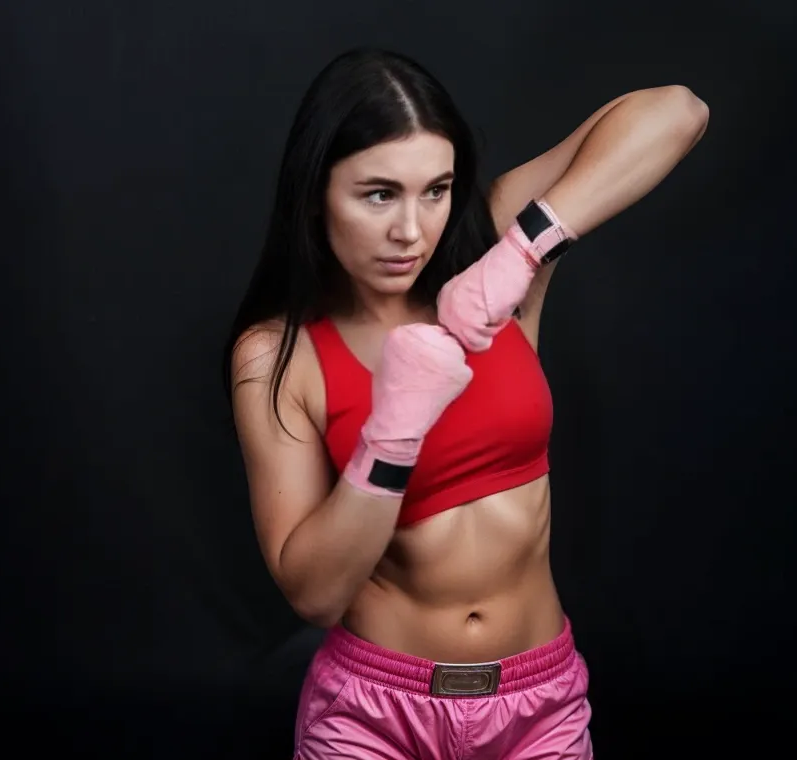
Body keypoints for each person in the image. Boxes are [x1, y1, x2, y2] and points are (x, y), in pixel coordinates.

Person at [224, 47, 707, 760]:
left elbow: (678, 111)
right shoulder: (280, 354)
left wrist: (518, 255)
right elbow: (316, 595)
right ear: (316, 191)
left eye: (437, 189)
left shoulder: (490, 246)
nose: (412, 231)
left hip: (537, 703)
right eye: (378, 193)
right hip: (373, 714)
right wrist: (392, 432)